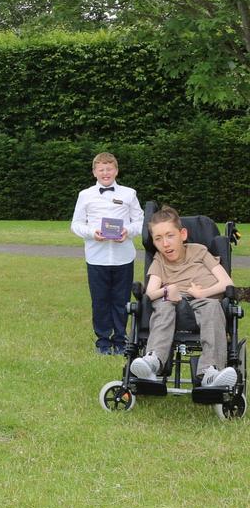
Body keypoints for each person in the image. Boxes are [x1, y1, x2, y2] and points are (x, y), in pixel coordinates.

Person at [129, 206, 238, 389]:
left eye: (170, 235)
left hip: (205, 299)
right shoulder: (159, 260)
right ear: (154, 243)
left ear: (183, 234)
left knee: (212, 307)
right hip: (173, 301)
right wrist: (167, 291)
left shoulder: (200, 251)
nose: (165, 243)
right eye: (158, 238)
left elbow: (227, 283)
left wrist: (202, 293)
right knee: (163, 305)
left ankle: (209, 372)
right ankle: (153, 361)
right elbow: (150, 293)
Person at [70, 152, 143, 355]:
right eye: (101, 169)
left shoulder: (130, 193)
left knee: (121, 300)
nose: (105, 173)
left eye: (109, 168)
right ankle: (103, 342)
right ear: (94, 172)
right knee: (100, 300)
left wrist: (128, 232)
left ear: (116, 170)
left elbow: (140, 221)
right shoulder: (85, 195)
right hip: (96, 257)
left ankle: (120, 341)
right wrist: (93, 233)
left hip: (123, 257)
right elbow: (75, 225)